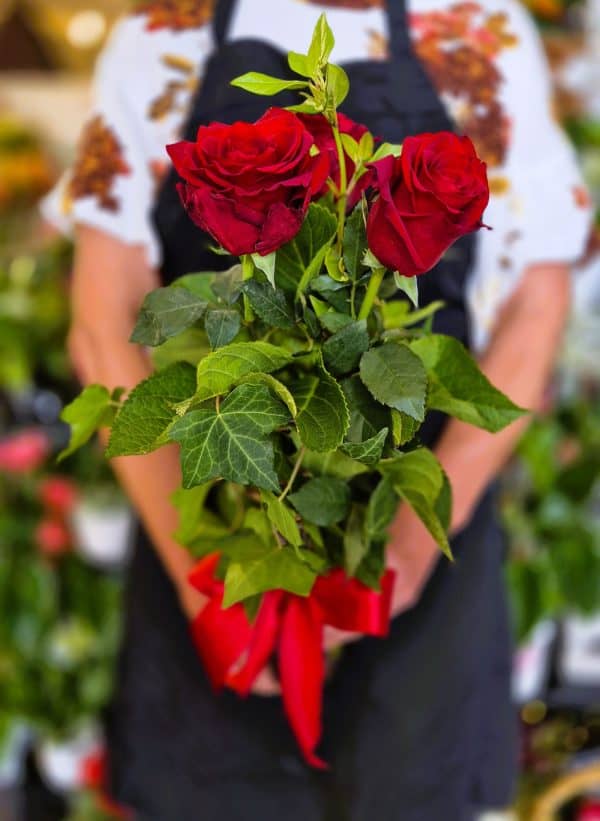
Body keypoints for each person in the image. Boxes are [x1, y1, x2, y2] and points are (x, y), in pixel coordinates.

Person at [42, 0, 592, 818]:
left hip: (424, 560)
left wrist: (399, 555)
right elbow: (103, 318)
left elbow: (536, 307)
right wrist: (211, 584)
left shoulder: (480, 29)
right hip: (206, 536)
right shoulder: (167, 29)